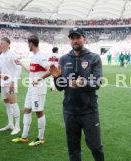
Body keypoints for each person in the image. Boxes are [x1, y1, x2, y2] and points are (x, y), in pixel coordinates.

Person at [49, 27, 104, 161]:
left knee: (95, 147)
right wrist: (57, 78)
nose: (75, 41)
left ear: (84, 38)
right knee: (73, 149)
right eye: (72, 38)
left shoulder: (94, 58)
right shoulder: (63, 59)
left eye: (78, 37)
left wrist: (82, 82)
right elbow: (60, 87)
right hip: (69, 111)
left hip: (89, 111)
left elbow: (98, 82)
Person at [12, 35, 51, 146]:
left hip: (38, 89)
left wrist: (39, 78)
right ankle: (24, 136)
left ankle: (40, 138)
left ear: (31, 44)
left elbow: (51, 70)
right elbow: (31, 71)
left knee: (38, 111)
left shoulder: (41, 56)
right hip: (31, 88)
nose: (27, 46)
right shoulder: (34, 57)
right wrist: (21, 64)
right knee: (26, 110)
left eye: (28, 43)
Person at [0, 37, 22, 135]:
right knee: (7, 103)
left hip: (11, 82)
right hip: (3, 82)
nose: (0, 45)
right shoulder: (2, 55)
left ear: (8, 44)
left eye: (2, 43)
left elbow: (18, 69)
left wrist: (13, 81)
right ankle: (10, 124)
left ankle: (17, 127)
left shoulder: (13, 55)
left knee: (13, 103)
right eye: (0, 43)